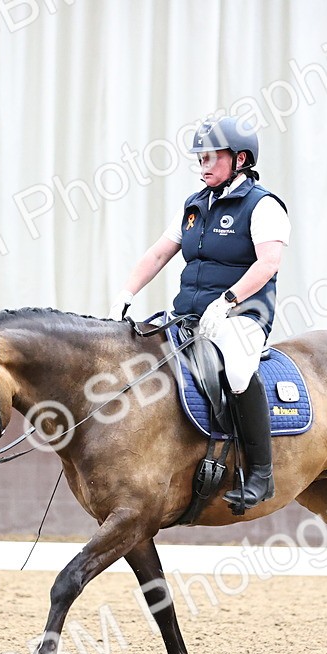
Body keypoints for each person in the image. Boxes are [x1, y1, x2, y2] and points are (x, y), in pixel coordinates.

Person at [111, 116, 289, 509]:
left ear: (240, 159)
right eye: (200, 158)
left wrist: (227, 302)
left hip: (243, 315)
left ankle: (262, 474)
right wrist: (126, 292)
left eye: (212, 157)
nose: (204, 165)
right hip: (189, 316)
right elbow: (159, 253)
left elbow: (268, 263)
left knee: (240, 371)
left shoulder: (263, 206)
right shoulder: (194, 205)